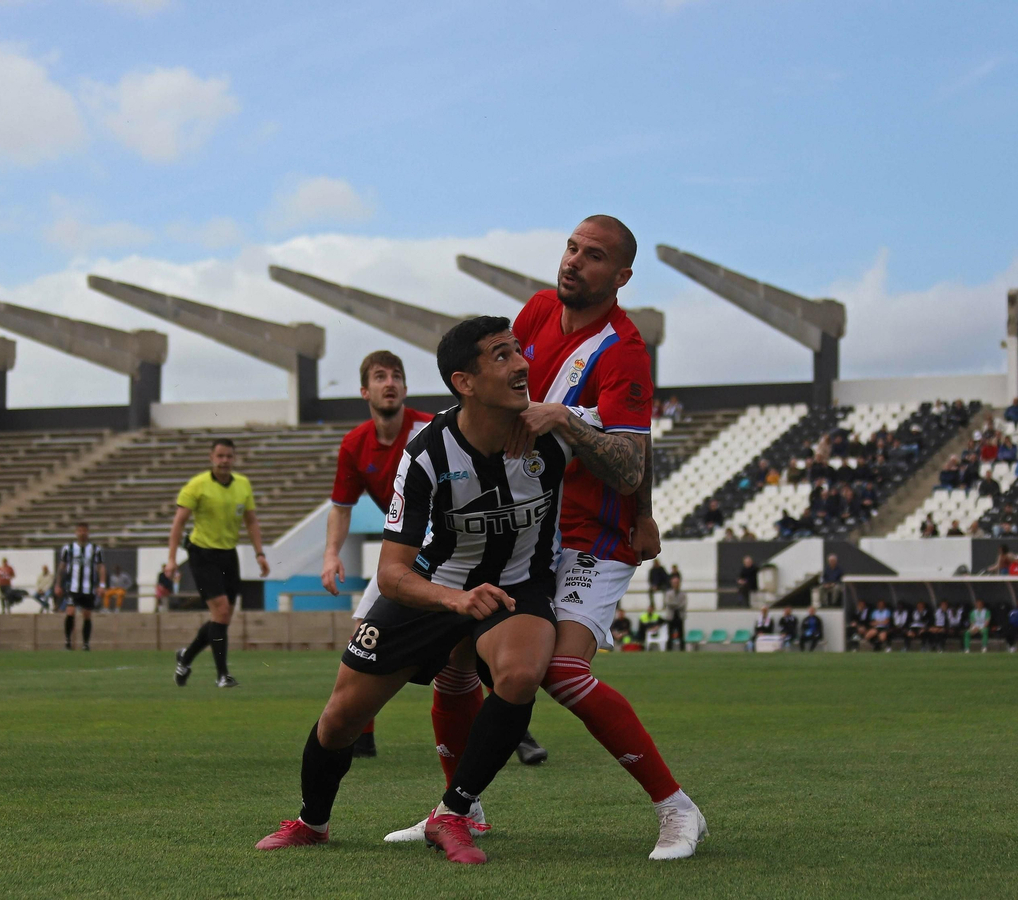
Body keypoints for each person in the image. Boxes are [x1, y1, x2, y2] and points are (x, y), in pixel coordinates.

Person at [255, 315, 696, 864]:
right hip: (438, 587)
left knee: (520, 674)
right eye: (502, 356)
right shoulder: (426, 454)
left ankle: (454, 811)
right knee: (342, 717)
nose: (522, 364)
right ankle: (311, 822)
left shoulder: (556, 428)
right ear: (465, 382)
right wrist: (453, 600)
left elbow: (630, 469)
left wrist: (568, 422)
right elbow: (392, 571)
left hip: (518, 587)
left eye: (518, 351)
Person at [320, 349, 437, 759]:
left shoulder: (429, 427)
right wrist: (332, 554)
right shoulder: (355, 444)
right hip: (403, 555)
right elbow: (341, 506)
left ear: (405, 387)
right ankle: (363, 737)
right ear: (364, 390)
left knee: (472, 647)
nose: (389, 382)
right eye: (380, 376)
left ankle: (516, 731)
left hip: (449, 548)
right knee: (363, 632)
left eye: (396, 376)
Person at [168, 440, 269, 687]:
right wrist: (171, 560)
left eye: (229, 456)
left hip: (228, 554)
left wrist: (260, 553)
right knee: (221, 612)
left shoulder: (243, 485)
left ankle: (186, 657)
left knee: (222, 618)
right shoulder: (197, 485)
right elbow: (179, 523)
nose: (224, 461)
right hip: (202, 553)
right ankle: (222, 676)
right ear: (211, 457)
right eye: (220, 456)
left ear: (234, 458)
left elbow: (251, 521)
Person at [57, 524, 106, 651]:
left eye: (84, 531)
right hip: (72, 588)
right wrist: (57, 585)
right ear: (76, 533)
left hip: (88, 588)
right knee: (70, 612)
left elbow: (100, 567)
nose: (82, 533)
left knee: (87, 615)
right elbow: (62, 567)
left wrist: (101, 584)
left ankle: (86, 643)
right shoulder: (68, 548)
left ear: (88, 532)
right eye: (79, 531)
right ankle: (68, 641)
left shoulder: (95, 549)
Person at [663, 574, 687, 651]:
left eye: (677, 582)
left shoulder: (683, 594)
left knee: (681, 635)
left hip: (679, 616)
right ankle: (669, 649)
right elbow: (667, 603)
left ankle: (682, 650)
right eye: (674, 583)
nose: (676, 584)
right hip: (671, 616)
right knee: (670, 634)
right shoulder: (668, 593)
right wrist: (677, 604)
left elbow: (683, 604)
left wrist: (674, 605)